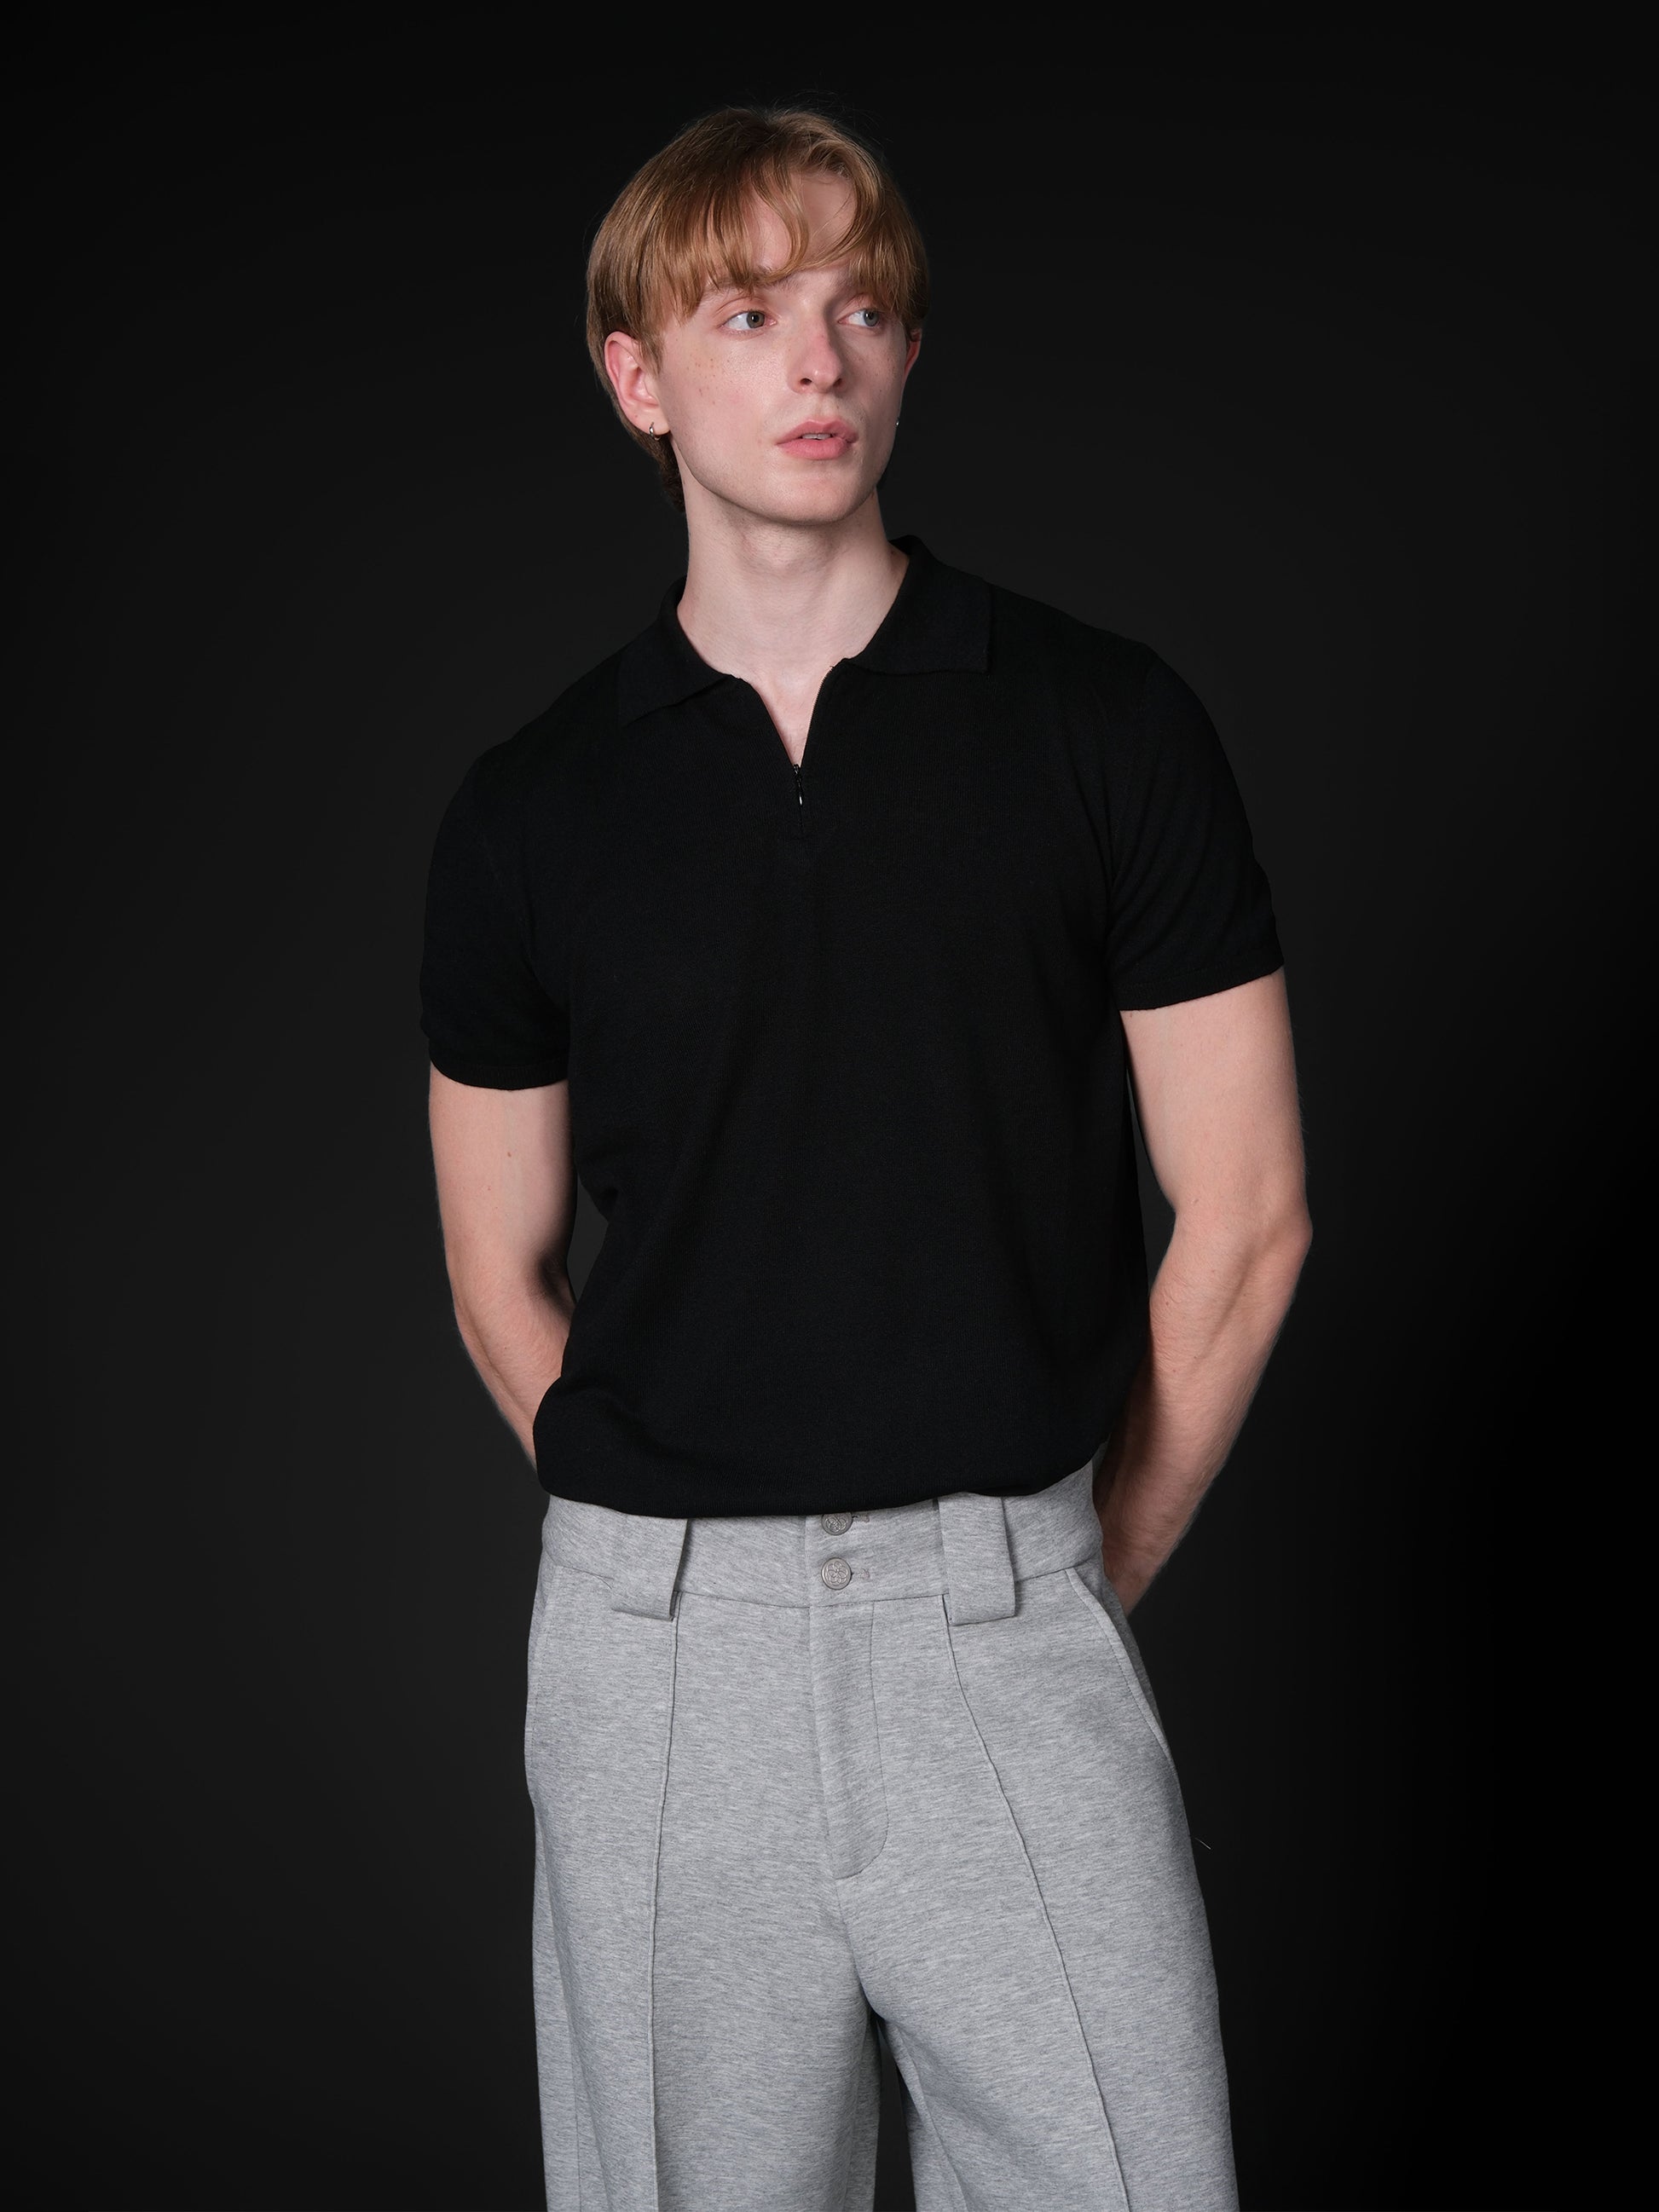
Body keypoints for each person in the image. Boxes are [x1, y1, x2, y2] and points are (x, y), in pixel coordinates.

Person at [419, 101, 1310, 2212]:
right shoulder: (529, 810)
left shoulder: (1103, 726)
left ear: (907, 353)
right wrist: (665, 1565)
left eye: (862, 308)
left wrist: (1058, 1575)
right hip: (660, 1670)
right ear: (638, 376)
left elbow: (1249, 1212)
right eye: (747, 312)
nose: (818, 358)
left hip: (1002, 1618)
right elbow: (493, 1266)